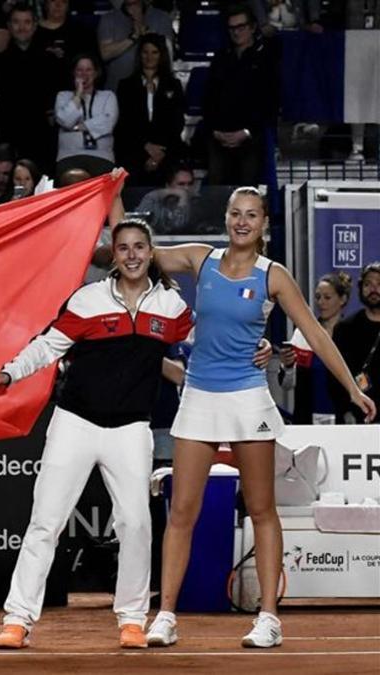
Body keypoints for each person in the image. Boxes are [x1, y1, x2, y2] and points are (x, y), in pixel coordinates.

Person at [146, 187, 376, 649]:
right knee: (182, 511)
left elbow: (313, 332)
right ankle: (166, 615)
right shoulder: (200, 258)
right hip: (198, 398)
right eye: (235, 213)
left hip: (248, 400)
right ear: (227, 218)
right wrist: (110, 197)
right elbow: (138, 250)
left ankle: (269, 617)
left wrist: (351, 385)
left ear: (264, 224)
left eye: (251, 215)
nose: (242, 222)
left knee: (261, 510)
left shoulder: (274, 275)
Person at [0, 220, 193, 650]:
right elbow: (47, 347)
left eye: (140, 247)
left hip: (132, 429)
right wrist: (10, 372)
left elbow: (206, 345)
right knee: (46, 521)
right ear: (113, 255)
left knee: (136, 524)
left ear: (151, 251)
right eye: (124, 248)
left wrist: (257, 348)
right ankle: (18, 619)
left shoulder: (172, 307)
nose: (133, 255)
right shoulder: (87, 298)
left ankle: (132, 620)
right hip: (75, 422)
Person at [201, 6, 280, 186]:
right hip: (219, 137)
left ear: (252, 27)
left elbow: (271, 101)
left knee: (246, 191)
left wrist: (246, 132)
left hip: (250, 138)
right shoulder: (221, 57)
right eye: (232, 28)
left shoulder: (266, 58)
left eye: (241, 27)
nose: (236, 32)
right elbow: (209, 97)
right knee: (217, 191)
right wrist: (215, 130)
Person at [279, 272, 352, 424]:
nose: (321, 302)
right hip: (306, 418)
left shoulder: (352, 334)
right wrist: (288, 367)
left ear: (342, 299)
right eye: (318, 297)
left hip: (343, 420)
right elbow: (286, 385)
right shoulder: (303, 333)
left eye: (327, 297)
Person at [114, 34, 185, 187]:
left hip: (166, 151)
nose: (149, 56)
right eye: (145, 52)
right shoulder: (126, 86)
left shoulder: (174, 85)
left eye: (154, 52)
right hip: (134, 151)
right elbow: (125, 124)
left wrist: (158, 154)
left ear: (161, 55)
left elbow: (177, 122)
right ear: (139, 55)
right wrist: (145, 148)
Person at [0, 3, 57, 174]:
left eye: (27, 22)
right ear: (9, 26)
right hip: (8, 135)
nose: (22, 27)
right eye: (16, 22)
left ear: (35, 25)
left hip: (41, 135)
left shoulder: (50, 61)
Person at [330, 262, 380, 423]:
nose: (374, 289)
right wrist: (345, 411)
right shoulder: (345, 329)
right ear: (360, 289)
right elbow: (335, 376)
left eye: (379, 284)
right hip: (356, 416)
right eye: (368, 284)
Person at [55, 54, 118, 178]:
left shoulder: (108, 96)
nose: (84, 74)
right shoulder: (63, 96)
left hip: (102, 157)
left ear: (96, 73)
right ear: (74, 73)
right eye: (80, 70)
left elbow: (108, 123)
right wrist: (78, 95)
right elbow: (65, 120)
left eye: (88, 70)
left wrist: (77, 127)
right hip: (69, 156)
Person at [97, 0, 174, 93]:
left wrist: (142, 25)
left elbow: (167, 53)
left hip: (154, 90)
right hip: (116, 90)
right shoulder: (108, 18)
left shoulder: (162, 17)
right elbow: (105, 54)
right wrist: (133, 37)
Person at [134, 164, 197, 234]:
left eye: (190, 184)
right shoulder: (155, 201)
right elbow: (137, 223)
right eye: (181, 184)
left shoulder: (198, 205)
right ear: (168, 185)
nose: (186, 188)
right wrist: (157, 194)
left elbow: (178, 227)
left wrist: (183, 200)